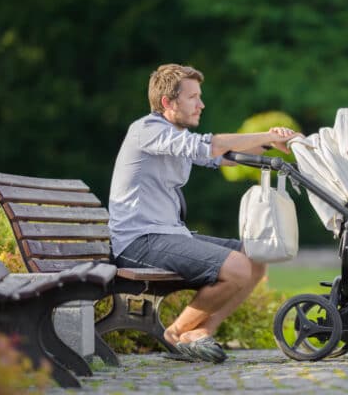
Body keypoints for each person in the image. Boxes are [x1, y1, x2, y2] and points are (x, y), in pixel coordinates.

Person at [108, 63, 300, 363]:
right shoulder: (147, 130)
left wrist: (271, 142)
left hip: (167, 234)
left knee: (257, 259)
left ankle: (198, 333)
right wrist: (264, 133)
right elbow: (208, 147)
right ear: (167, 103)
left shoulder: (173, 134)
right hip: (138, 240)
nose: (201, 104)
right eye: (193, 97)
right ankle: (174, 333)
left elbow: (224, 158)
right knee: (237, 267)